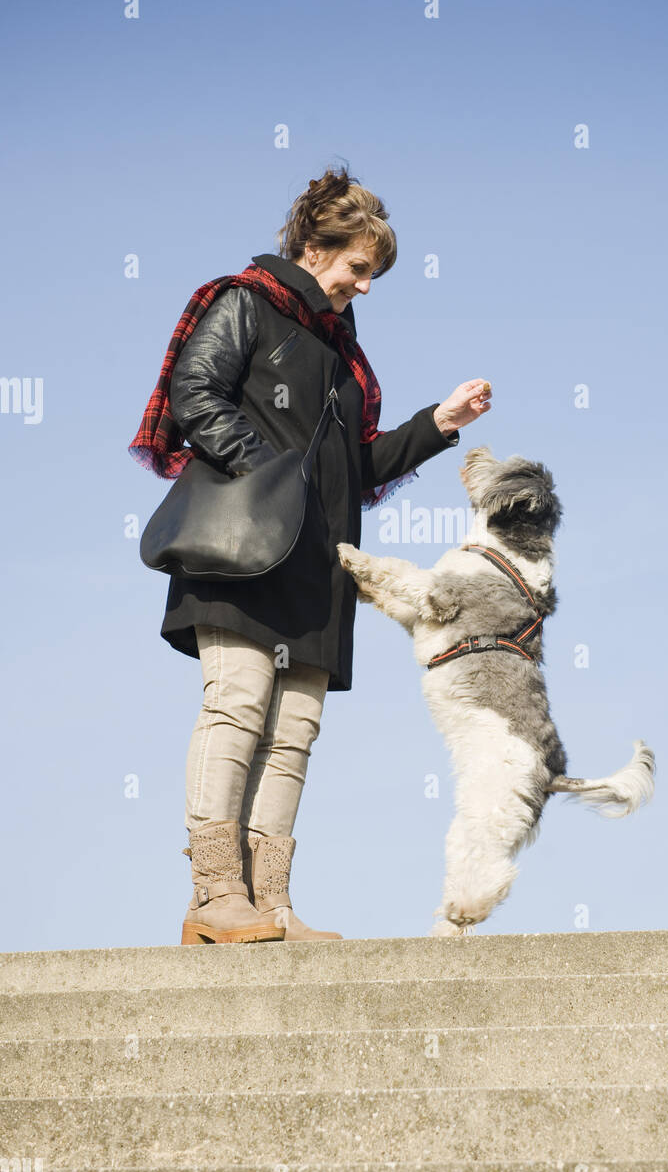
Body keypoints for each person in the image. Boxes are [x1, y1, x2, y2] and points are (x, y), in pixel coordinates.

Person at [129, 165, 493, 944]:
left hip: (319, 563)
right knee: (237, 707)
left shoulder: (342, 355)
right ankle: (214, 897)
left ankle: (271, 907)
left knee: (294, 731)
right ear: (311, 245)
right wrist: (273, 473)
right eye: (358, 267)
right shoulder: (243, 302)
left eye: (374, 273)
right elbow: (197, 396)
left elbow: (356, 468)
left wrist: (439, 420)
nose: (365, 286)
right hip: (242, 547)